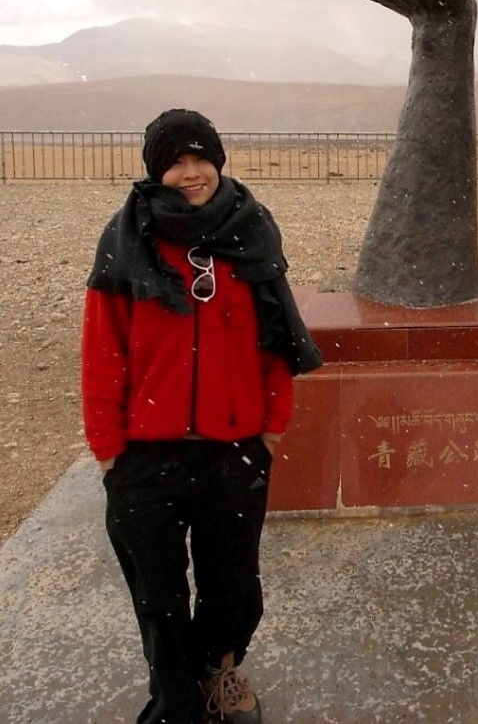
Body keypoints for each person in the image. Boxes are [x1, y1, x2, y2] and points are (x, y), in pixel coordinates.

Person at [81, 108, 322, 724]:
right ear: (156, 171)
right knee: (158, 598)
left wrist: (270, 429)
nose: (191, 173)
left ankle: (219, 671)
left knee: (232, 587)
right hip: (145, 455)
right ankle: (176, 701)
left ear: (218, 160)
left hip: (234, 448)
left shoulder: (252, 232)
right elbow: (103, 349)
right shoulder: (126, 239)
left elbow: (277, 338)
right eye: (175, 162)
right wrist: (110, 450)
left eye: (200, 158)